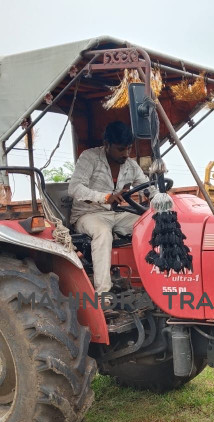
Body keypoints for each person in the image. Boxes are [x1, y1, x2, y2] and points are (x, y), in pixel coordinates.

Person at [68, 121, 150, 294]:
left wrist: (162, 200)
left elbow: (148, 187)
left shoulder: (130, 165)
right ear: (107, 144)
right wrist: (105, 198)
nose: (126, 154)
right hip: (88, 214)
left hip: (115, 214)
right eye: (121, 149)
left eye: (128, 148)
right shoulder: (90, 157)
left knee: (149, 225)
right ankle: (103, 293)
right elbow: (75, 188)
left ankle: (149, 284)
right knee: (103, 232)